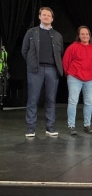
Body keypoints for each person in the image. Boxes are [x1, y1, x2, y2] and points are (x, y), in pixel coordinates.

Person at [21, 7, 63, 137]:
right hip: (35, 70)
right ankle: (30, 128)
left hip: (52, 70)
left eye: (48, 15)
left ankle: (50, 127)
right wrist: (31, 63)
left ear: (52, 18)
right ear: (39, 16)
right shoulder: (31, 32)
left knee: (51, 99)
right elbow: (24, 50)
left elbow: (59, 53)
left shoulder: (57, 35)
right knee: (33, 99)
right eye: (44, 15)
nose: (46, 17)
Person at [62, 26, 92, 135]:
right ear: (79, 35)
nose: (85, 36)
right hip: (75, 77)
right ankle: (71, 126)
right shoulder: (73, 47)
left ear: (89, 36)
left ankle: (87, 125)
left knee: (88, 102)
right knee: (73, 101)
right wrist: (69, 74)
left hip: (90, 79)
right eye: (82, 34)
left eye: (87, 34)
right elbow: (65, 61)